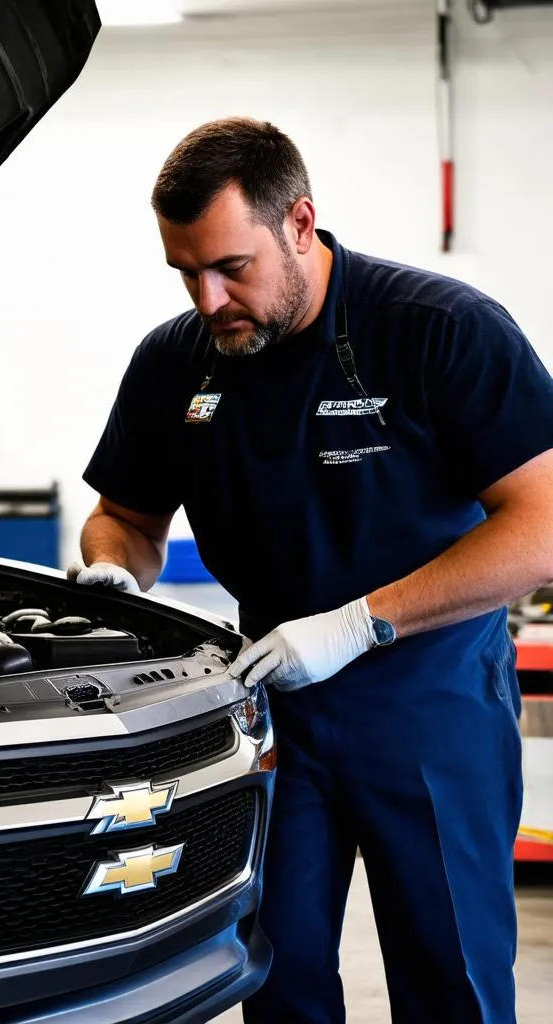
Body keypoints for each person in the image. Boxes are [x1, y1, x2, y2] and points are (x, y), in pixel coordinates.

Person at [71, 116, 553, 1023]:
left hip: (430, 703)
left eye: (231, 267)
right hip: (271, 707)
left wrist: (358, 621)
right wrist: (112, 575)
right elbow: (126, 517)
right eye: (185, 271)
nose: (208, 299)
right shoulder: (177, 359)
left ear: (299, 223)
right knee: (276, 983)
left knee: (451, 982)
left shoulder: (438, 330)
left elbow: (544, 524)